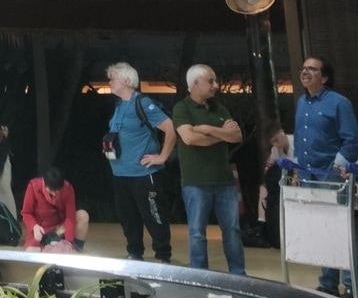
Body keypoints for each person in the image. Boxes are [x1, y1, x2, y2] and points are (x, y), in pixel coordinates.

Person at [275, 55, 358, 295]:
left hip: (331, 177)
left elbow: (352, 139)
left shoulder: (339, 103)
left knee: (342, 232)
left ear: (324, 77)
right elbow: (302, 140)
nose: (305, 72)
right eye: (303, 68)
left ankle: (353, 287)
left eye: (312, 69)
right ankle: (328, 284)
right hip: (308, 176)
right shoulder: (302, 102)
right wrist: (297, 170)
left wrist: (337, 167)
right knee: (322, 231)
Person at [171, 64, 246, 276]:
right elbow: (190, 138)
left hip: (224, 181)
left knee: (232, 231)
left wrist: (208, 129)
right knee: (197, 233)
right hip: (196, 182)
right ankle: (200, 276)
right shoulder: (182, 108)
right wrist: (222, 134)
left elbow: (237, 136)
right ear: (195, 83)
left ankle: (238, 275)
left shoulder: (219, 108)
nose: (216, 85)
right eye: (210, 81)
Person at [104, 62, 175, 262]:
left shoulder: (143, 103)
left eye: (113, 79)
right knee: (128, 217)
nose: (109, 82)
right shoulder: (119, 105)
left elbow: (170, 128)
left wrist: (162, 156)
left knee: (153, 214)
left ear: (127, 80)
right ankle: (135, 252)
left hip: (143, 173)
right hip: (120, 172)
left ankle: (162, 255)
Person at [22, 166, 88, 251]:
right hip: (41, 229)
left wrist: (68, 242)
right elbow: (26, 213)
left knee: (83, 215)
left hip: (59, 228)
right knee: (31, 251)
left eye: (57, 191)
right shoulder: (33, 186)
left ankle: (76, 249)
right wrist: (34, 226)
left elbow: (70, 217)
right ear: (44, 183)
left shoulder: (67, 188)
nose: (54, 194)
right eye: (51, 191)